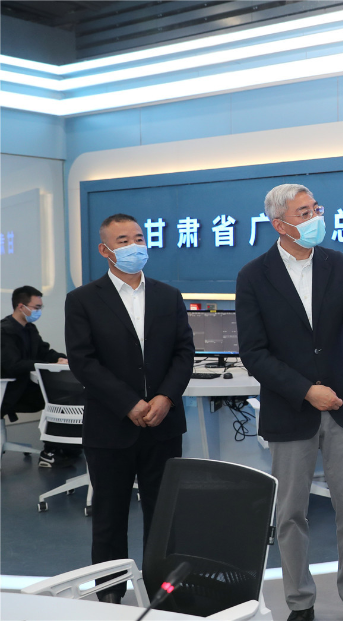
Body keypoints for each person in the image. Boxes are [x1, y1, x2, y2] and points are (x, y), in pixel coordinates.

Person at [236, 184, 343, 621]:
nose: (316, 217)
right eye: (304, 212)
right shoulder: (253, 276)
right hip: (290, 408)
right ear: (280, 225)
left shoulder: (338, 264)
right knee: (290, 514)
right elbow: (254, 352)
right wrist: (304, 390)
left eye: (316, 208)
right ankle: (300, 602)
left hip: (341, 404)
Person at [65, 214, 194, 604]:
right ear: (105, 250)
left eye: (139, 238)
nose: (135, 246)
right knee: (109, 518)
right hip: (110, 426)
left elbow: (184, 352)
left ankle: (163, 597)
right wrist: (128, 403)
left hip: (163, 424)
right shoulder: (83, 299)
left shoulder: (168, 296)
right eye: (123, 241)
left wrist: (166, 397)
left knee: (164, 517)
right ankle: (110, 598)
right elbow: (83, 361)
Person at [1, 285, 78, 467]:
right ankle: (50, 451)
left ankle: (65, 447)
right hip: (8, 391)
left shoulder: (30, 329)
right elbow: (13, 366)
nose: (39, 311)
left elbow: (44, 351)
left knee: (65, 397)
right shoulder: (4, 332)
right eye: (36, 307)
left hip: (23, 387)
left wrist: (62, 359)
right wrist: (47, 364)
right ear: (21, 306)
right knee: (56, 399)